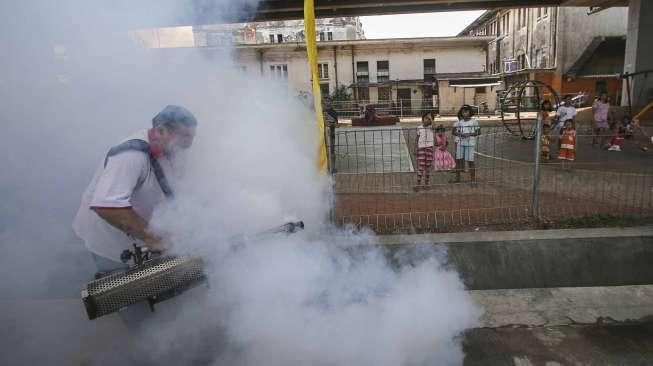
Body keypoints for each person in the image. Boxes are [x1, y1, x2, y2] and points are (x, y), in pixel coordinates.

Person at [73, 105, 197, 323]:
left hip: (139, 231)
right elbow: (107, 206)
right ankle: (142, 339)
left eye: (192, 136)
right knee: (129, 295)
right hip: (109, 238)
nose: (189, 143)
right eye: (184, 136)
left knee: (160, 290)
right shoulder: (130, 155)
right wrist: (152, 237)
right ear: (160, 131)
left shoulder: (169, 148)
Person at [452, 105, 481, 184]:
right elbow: (453, 132)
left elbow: (479, 131)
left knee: (470, 161)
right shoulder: (460, 122)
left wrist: (470, 134)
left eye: (466, 111)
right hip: (460, 143)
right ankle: (457, 178)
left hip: (470, 143)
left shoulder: (474, 121)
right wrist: (460, 133)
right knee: (458, 160)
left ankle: (473, 179)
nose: (464, 113)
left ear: (470, 112)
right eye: (463, 111)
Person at [415, 112, 435, 188]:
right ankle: (418, 183)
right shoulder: (419, 127)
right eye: (426, 118)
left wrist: (431, 119)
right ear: (422, 119)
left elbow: (434, 126)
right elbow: (417, 138)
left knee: (428, 167)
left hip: (429, 148)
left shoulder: (431, 127)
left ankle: (426, 183)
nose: (427, 120)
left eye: (429, 119)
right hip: (421, 148)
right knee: (421, 165)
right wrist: (415, 148)